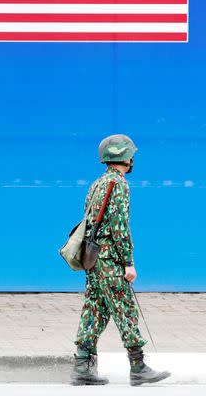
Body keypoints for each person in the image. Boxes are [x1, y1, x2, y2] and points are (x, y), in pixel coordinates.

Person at [71, 134, 171, 386]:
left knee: (94, 310)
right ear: (123, 157)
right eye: (130, 155)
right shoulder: (119, 185)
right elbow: (119, 227)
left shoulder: (97, 183)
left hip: (93, 259)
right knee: (125, 310)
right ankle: (138, 366)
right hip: (110, 260)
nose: (132, 159)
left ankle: (82, 365)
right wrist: (128, 262)